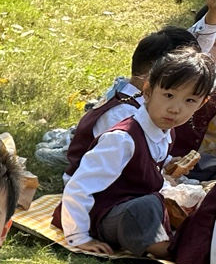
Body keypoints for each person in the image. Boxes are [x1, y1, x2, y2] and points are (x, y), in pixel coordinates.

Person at [57, 48, 216, 258]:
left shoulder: (166, 131)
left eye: (190, 101)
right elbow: (79, 187)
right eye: (169, 95)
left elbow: (150, 161)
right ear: (148, 90)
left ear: (202, 103)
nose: (175, 108)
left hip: (133, 208)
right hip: (102, 215)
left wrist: (168, 165)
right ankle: (169, 251)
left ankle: (185, 243)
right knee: (147, 205)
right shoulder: (122, 139)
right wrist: (79, 237)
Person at [63, 26, 200, 182]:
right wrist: (162, 182)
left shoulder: (147, 103)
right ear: (153, 73)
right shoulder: (124, 114)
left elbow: (146, 149)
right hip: (96, 187)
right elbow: (124, 168)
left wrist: (167, 162)